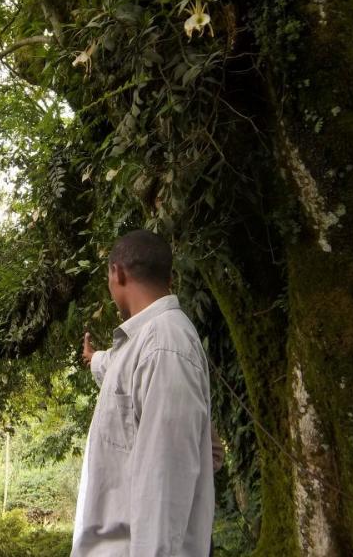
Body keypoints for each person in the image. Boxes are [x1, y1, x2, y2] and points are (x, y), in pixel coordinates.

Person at [72, 230, 214, 556]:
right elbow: (116, 369)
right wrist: (94, 359)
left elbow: (164, 485)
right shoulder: (144, 343)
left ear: (117, 273)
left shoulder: (166, 346)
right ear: (169, 276)